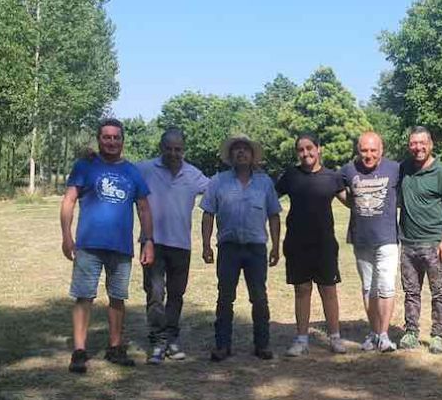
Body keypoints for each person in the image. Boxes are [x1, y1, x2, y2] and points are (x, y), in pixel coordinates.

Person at [60, 118, 154, 373]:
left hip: (121, 247)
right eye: (106, 137)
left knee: (118, 297)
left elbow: (144, 208)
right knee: (84, 296)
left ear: (122, 140)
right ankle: (79, 351)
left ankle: (115, 347)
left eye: (116, 137)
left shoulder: (132, 171)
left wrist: (148, 241)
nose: (111, 142)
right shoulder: (85, 166)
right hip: (88, 245)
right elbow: (69, 201)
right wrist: (66, 236)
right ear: (99, 139)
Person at [200, 135, 281, 361]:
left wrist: (276, 246)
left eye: (246, 149)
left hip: (256, 249)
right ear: (230, 156)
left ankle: (262, 344)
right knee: (225, 297)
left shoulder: (265, 183)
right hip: (228, 248)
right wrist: (206, 245)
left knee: (259, 297)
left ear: (253, 155)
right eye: (237, 149)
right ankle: (222, 346)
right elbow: (208, 214)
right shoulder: (218, 181)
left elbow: (274, 215)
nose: (241, 152)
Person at [136, 128, 209, 364]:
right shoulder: (145, 169)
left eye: (178, 149)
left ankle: (172, 338)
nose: (173, 153)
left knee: (177, 295)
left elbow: (219, 190)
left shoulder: (193, 174)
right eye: (169, 148)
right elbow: (119, 170)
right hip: (152, 243)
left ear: (184, 150)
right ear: (161, 148)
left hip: (181, 245)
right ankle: (158, 341)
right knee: (155, 294)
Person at [276, 133, 348, 357]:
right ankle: (301, 339)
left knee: (328, 290)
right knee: (302, 290)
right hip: (297, 243)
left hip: (325, 244)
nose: (305, 153)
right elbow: (269, 198)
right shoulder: (291, 176)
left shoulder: (332, 177)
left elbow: (351, 202)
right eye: (301, 149)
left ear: (319, 148)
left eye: (309, 148)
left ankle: (335, 337)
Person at [398, 126, 442, 354]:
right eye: (413, 143)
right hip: (407, 244)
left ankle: (438, 335)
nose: (418, 148)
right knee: (411, 293)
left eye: (422, 143)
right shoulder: (403, 169)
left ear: (431, 144)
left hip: (434, 244)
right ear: (409, 146)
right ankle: (411, 332)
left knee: (439, 293)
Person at [340, 131, 400, 353]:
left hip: (387, 238)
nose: (369, 155)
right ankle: (374, 333)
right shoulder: (348, 170)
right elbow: (334, 186)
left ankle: (384, 335)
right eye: (364, 150)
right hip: (361, 239)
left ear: (381, 150)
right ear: (358, 150)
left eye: (373, 150)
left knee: (386, 286)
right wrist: (352, 202)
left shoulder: (395, 168)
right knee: (368, 287)